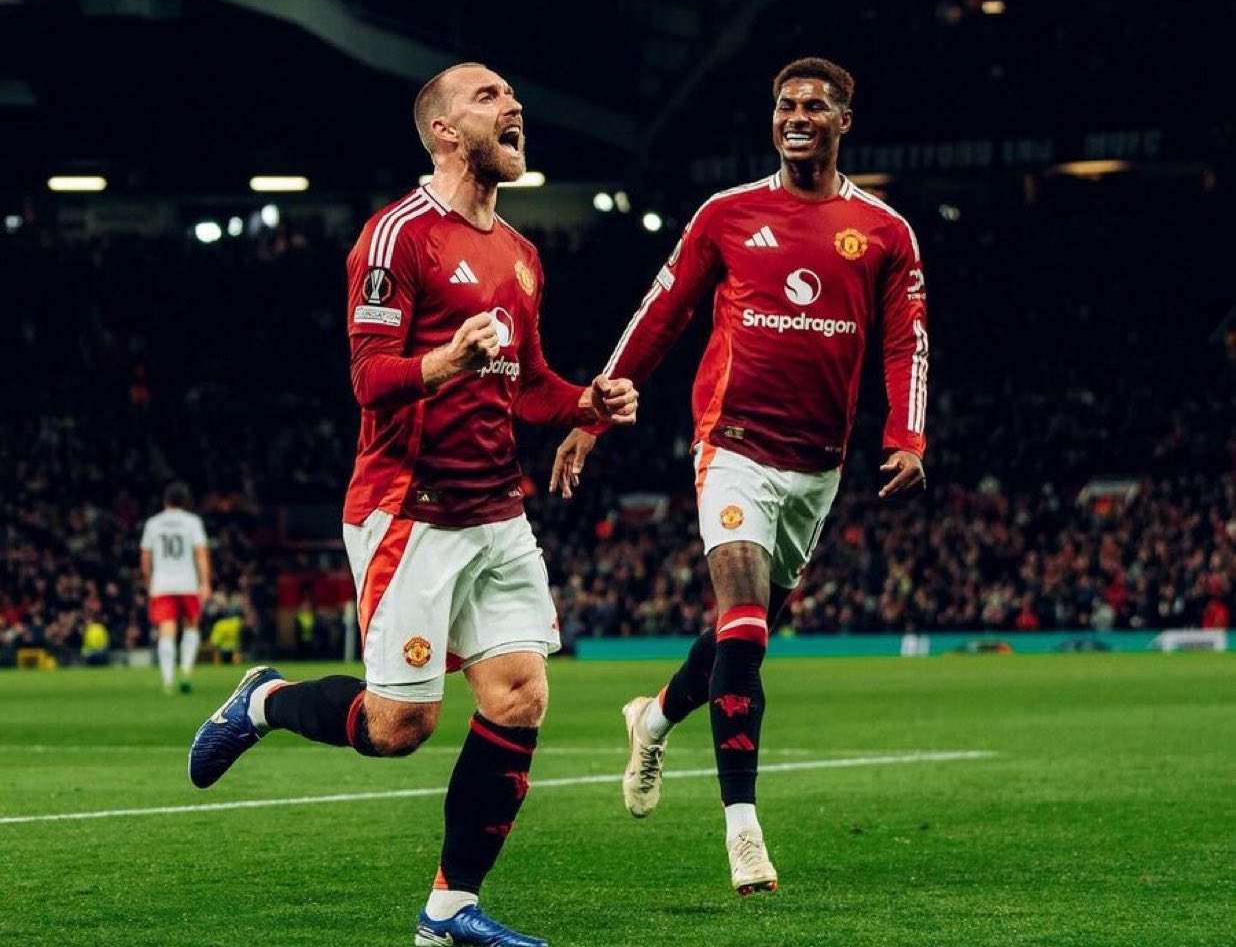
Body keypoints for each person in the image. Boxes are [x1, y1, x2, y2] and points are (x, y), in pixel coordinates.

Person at [188, 62, 638, 947]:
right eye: (488, 96)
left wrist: (587, 401)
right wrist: (446, 363)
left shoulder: (522, 254)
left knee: (518, 697)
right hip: (410, 507)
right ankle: (263, 700)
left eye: (514, 97)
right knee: (401, 727)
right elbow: (368, 379)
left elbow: (530, 384)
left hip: (497, 511)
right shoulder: (397, 236)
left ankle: (448, 909)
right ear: (443, 131)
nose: (513, 106)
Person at [549, 56, 928, 895]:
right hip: (734, 446)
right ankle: (743, 831)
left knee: (739, 635)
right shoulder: (727, 213)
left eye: (814, 106)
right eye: (786, 104)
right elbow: (662, 310)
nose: (797, 116)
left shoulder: (887, 231)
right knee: (746, 628)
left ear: (841, 122)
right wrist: (591, 412)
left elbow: (907, 340)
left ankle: (651, 719)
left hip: (817, 468)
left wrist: (908, 433)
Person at [140, 481, 212, 694]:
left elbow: (145, 556)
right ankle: (186, 671)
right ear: (185, 501)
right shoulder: (192, 522)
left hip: (162, 584)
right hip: (188, 583)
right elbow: (201, 553)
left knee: (167, 631)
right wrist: (205, 582)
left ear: (165, 501)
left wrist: (148, 581)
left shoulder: (153, 523)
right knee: (191, 627)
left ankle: (168, 680)